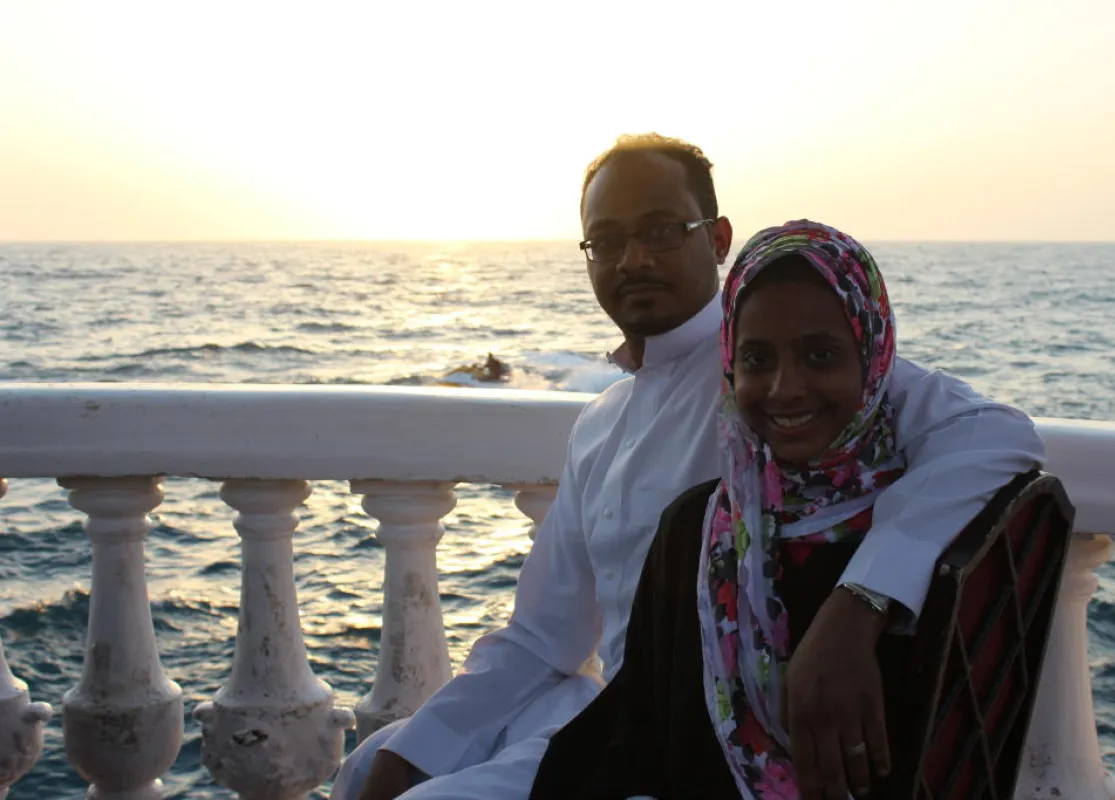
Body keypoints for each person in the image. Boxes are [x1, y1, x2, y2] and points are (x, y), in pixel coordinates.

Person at [333, 134, 1046, 800]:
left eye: (661, 231)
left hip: (696, 743)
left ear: (719, 239)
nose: (633, 259)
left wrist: (861, 598)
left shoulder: (768, 374)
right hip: (621, 715)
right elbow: (543, 638)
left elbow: (993, 432)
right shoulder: (601, 423)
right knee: (371, 762)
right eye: (607, 241)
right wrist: (416, 748)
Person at [531, 219, 983, 799]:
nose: (784, 388)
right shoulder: (695, 530)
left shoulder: (931, 537)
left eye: (820, 355)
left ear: (873, 358)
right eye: (757, 358)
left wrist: (858, 608)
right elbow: (639, 729)